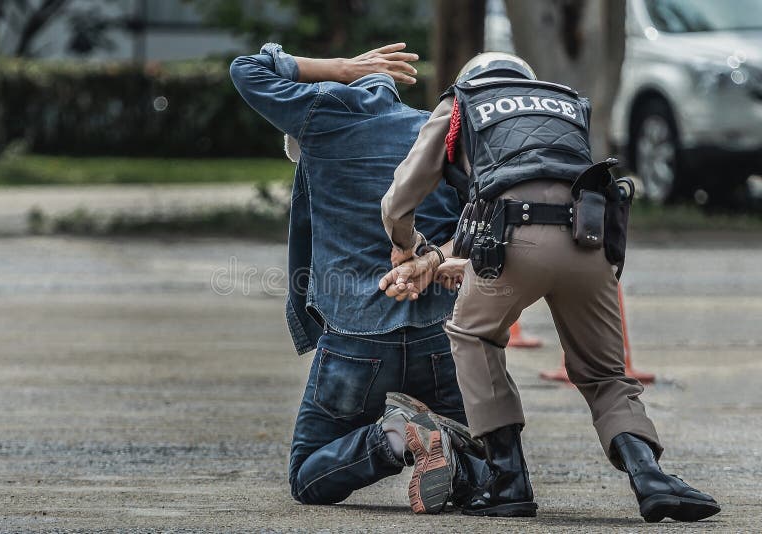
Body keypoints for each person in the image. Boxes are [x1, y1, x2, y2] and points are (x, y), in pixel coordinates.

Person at [380, 52, 721, 523]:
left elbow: (403, 194)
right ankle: (650, 477)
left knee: (473, 335)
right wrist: (440, 255)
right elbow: (549, 182)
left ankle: (508, 481)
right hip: (589, 240)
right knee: (605, 373)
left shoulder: (464, 101)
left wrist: (406, 245)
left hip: (513, 242)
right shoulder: (565, 103)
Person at [230, 42, 487, 513]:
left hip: (356, 340)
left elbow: (246, 69)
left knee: (308, 476)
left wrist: (340, 67)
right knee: (481, 473)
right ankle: (448, 451)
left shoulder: (323, 119)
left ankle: (393, 436)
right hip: (439, 336)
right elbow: (469, 231)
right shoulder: (431, 131)